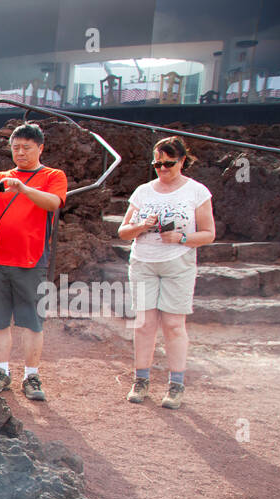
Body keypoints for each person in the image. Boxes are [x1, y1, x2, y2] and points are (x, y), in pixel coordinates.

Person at [0, 122, 66, 400]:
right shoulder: (1, 176)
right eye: (16, 147)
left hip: (31, 260)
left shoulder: (52, 175)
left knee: (33, 321)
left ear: (40, 148)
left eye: (26, 147)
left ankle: (31, 374)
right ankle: (1, 371)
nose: (20, 152)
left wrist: (23, 188)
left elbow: (53, 203)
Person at [117, 136, 215, 409]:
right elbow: (123, 232)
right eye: (157, 164)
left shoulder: (197, 191)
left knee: (173, 325)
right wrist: (141, 226)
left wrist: (182, 238)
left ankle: (176, 383)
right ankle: (141, 380)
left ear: (182, 161)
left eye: (168, 164)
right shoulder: (143, 191)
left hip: (178, 262)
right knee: (145, 324)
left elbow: (209, 234)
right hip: (144, 261)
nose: (162, 169)